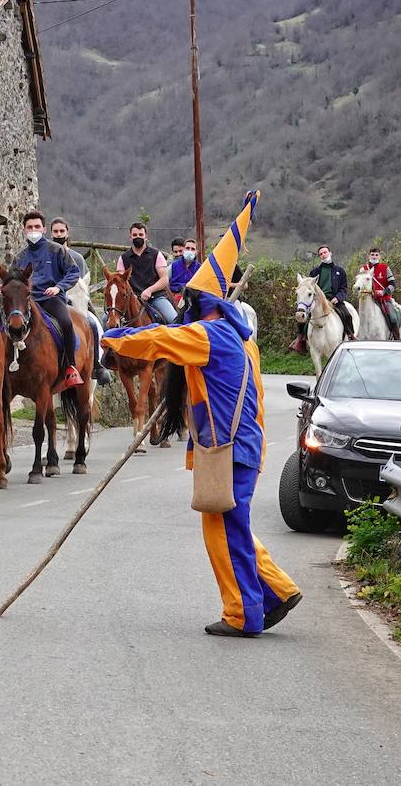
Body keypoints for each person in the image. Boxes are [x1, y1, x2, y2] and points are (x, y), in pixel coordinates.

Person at [101, 192, 302, 638]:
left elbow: (155, 340)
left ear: (201, 300)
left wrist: (113, 339)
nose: (185, 302)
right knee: (233, 527)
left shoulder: (207, 334)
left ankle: (243, 614)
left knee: (225, 533)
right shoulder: (240, 336)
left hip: (227, 449)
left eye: (189, 296)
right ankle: (278, 589)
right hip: (243, 446)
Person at [10, 210, 85, 387]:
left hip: (51, 299)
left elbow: (73, 272)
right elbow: (12, 280)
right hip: (26, 302)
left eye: (37, 226)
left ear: (44, 229)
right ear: (24, 230)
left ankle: (70, 367)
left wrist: (58, 287)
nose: (33, 230)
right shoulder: (19, 257)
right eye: (29, 227)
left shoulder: (57, 250)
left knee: (66, 323)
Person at [48, 217, 114, 384]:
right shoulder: (46, 257)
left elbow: (84, 282)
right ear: (50, 233)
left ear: (67, 233)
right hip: (52, 301)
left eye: (61, 231)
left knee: (94, 324)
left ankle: (98, 365)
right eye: (55, 231)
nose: (58, 234)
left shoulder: (77, 258)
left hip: (76, 302)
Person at [290, 244, 355, 352]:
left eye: (325, 252)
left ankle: (351, 336)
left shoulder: (340, 271)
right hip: (318, 301)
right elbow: (309, 289)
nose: (323, 255)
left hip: (334, 300)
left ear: (330, 253)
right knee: (302, 316)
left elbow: (343, 289)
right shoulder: (314, 272)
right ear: (319, 257)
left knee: (347, 314)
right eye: (321, 254)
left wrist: (338, 298)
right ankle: (300, 340)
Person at [115, 222, 176, 324]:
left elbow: (164, 279)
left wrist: (149, 290)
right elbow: (121, 282)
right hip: (131, 299)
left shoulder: (156, 255)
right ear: (130, 237)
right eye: (134, 235)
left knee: (173, 319)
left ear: (146, 237)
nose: (137, 237)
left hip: (155, 297)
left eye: (140, 235)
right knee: (106, 320)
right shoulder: (123, 258)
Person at [358, 247, 400, 336]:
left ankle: (396, 337)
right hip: (368, 299)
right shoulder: (363, 269)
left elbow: (392, 284)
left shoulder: (385, 268)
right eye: (372, 255)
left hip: (384, 299)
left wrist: (384, 292)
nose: (374, 257)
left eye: (376, 255)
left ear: (379, 257)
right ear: (369, 256)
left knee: (393, 318)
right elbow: (360, 284)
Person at [169, 238, 201, 302]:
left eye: (193, 249)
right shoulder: (173, 266)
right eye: (187, 248)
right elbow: (164, 282)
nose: (189, 251)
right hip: (174, 298)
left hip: (193, 299)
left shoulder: (200, 269)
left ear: (196, 252)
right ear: (183, 249)